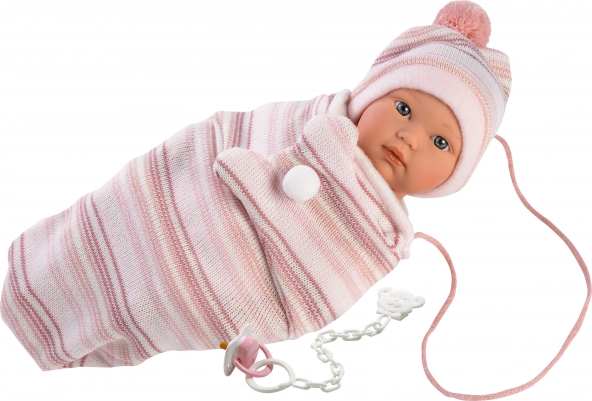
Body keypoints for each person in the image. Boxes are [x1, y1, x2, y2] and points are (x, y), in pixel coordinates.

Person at [0, 0, 511, 370]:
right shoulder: (302, 122)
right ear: (368, 95)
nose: (411, 137)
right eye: (402, 107)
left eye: (442, 143)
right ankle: (49, 271)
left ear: (455, 176)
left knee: (155, 302)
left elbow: (311, 299)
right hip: (175, 205)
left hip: (212, 297)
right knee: (116, 234)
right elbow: (220, 137)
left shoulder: (377, 240)